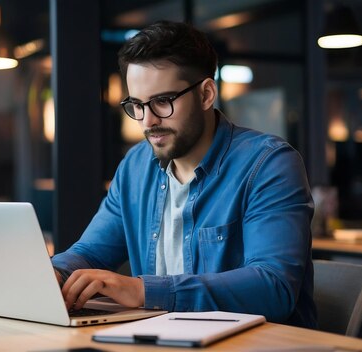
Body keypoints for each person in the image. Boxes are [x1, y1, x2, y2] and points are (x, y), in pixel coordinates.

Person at [51, 20, 316, 328]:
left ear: (206, 94)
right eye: (137, 105)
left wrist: (142, 290)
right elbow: (90, 253)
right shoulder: (136, 166)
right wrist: (54, 274)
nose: (148, 121)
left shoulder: (269, 164)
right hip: (163, 341)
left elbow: (273, 288)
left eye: (162, 101)